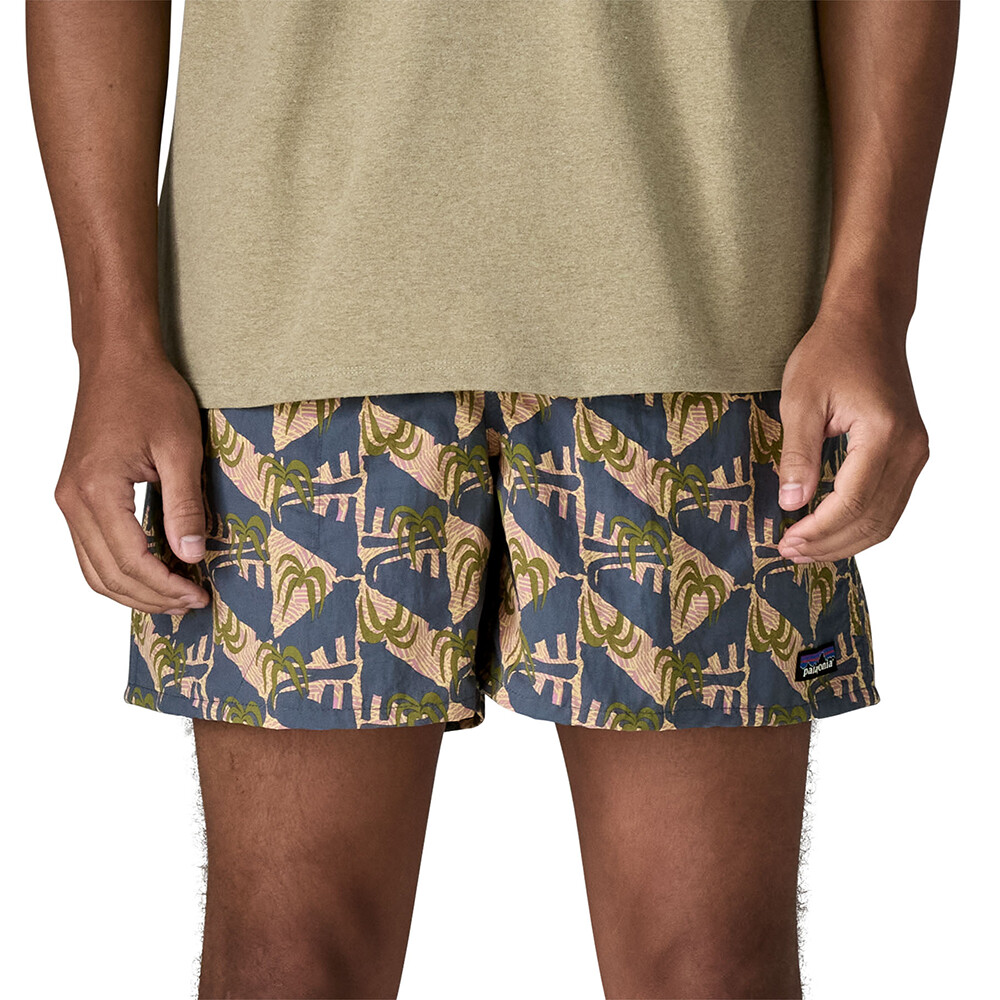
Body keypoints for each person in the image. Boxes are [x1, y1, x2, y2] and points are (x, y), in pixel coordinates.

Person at [26, 1, 957, 997]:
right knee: (285, 961)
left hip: (701, 302)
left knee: (712, 967)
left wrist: (871, 304)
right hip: (291, 318)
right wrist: (111, 341)